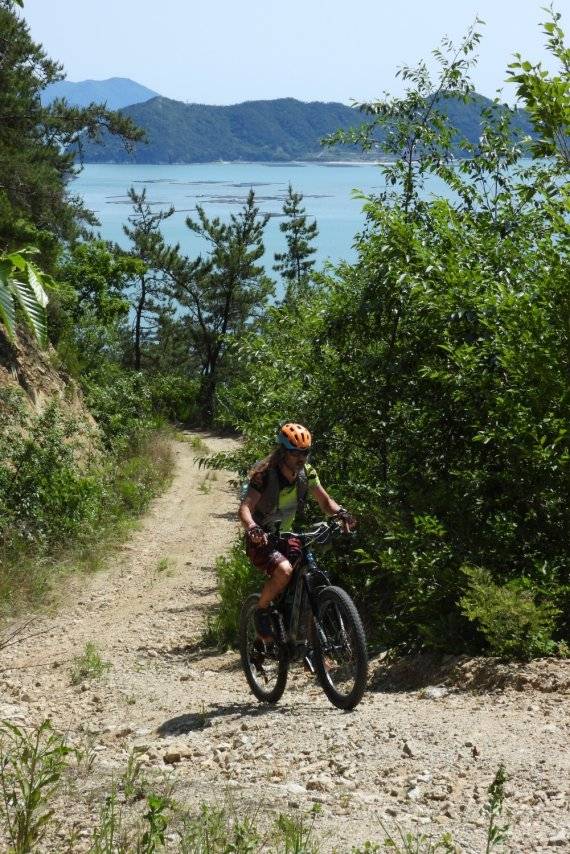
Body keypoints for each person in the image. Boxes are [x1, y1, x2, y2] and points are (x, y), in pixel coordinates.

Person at [238, 422, 355, 640]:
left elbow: (325, 501)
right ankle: (262, 611)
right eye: (295, 453)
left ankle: (300, 635)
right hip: (261, 537)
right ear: (283, 452)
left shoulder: (307, 473)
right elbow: (245, 508)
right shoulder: (264, 474)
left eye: (305, 452)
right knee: (283, 571)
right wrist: (252, 527)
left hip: (286, 535)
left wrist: (341, 513)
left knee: (307, 575)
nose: (301, 458)